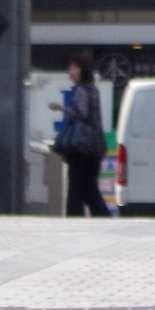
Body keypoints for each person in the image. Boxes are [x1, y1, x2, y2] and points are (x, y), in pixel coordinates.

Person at [49, 54, 110, 217]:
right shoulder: (93, 89)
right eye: (70, 68)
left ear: (84, 70)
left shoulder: (82, 89)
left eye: (75, 68)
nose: (71, 72)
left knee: (76, 186)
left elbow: (80, 114)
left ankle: (74, 217)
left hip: (80, 146)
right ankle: (103, 216)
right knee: (89, 186)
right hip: (95, 145)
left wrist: (61, 108)